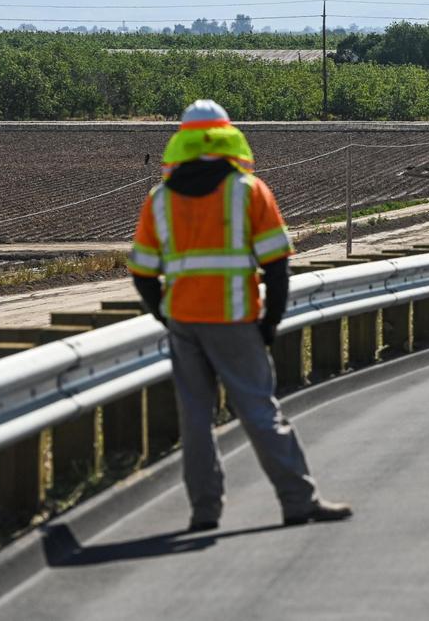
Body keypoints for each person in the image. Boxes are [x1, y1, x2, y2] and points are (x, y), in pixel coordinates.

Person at [127, 100, 351, 532]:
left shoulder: (159, 199)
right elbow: (277, 264)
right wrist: (270, 323)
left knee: (195, 419)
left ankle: (204, 512)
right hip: (234, 320)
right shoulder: (248, 190)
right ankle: (298, 501)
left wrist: (166, 316)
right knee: (259, 411)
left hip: (184, 324)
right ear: (228, 137)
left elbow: (142, 273)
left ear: (182, 141)